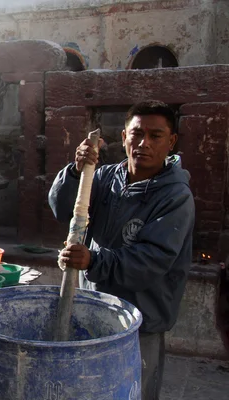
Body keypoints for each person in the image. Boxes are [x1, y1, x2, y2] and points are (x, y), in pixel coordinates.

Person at [49, 100, 195, 400]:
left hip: (140, 320)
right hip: (92, 305)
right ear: (124, 135)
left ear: (171, 141)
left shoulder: (175, 197)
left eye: (155, 136)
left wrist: (93, 259)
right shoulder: (103, 177)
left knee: (130, 391)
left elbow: (151, 261)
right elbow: (62, 208)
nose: (144, 143)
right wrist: (76, 172)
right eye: (136, 133)